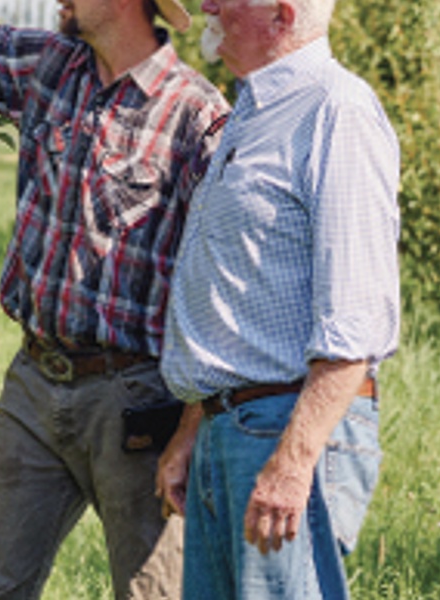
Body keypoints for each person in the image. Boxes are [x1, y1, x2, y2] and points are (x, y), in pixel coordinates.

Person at [0, 0, 229, 597]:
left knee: (154, 593)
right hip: (34, 382)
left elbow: (218, 286)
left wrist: (190, 429)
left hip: (137, 401)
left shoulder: (196, 115)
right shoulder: (48, 67)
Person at [152, 0, 400, 597]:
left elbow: (356, 319)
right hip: (227, 426)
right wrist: (193, 427)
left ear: (281, 15)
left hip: (284, 426)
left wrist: (293, 463)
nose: (206, 5)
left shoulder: (335, 110)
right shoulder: (249, 112)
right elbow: (235, 289)